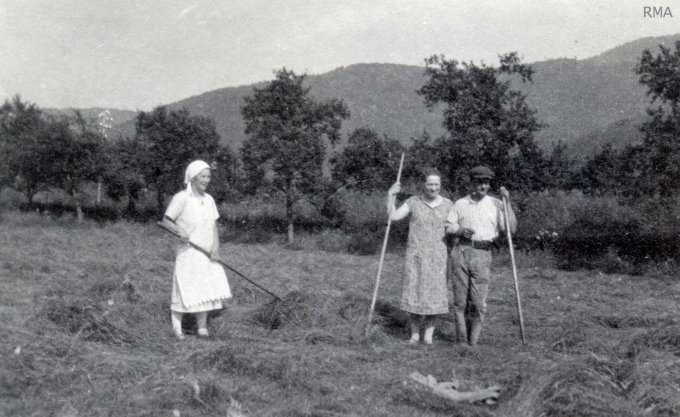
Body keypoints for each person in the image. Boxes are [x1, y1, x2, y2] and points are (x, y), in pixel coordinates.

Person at [445, 166, 517, 346]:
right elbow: (448, 227)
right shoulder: (461, 203)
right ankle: (462, 342)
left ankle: (474, 342)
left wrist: (507, 202)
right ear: (472, 183)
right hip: (460, 252)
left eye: (486, 182)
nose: (483, 186)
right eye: (479, 182)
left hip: (483, 254)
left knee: (478, 303)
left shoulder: (496, 204)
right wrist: (460, 230)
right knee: (460, 302)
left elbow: (511, 228)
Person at [161, 160, 232, 340]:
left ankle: (202, 327)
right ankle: (177, 328)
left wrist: (215, 248)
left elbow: (213, 227)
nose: (206, 180)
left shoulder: (209, 200)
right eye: (203, 176)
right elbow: (166, 221)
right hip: (188, 252)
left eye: (208, 177)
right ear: (192, 177)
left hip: (207, 253)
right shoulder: (181, 198)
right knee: (184, 288)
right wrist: (180, 231)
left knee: (205, 289)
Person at [387, 169, 454, 345]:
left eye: (436, 184)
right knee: (415, 294)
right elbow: (393, 216)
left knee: (435, 297)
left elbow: (456, 226)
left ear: (440, 186)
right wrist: (390, 195)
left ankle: (428, 336)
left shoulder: (448, 204)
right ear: (424, 185)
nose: (433, 188)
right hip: (415, 257)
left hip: (437, 258)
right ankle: (415, 334)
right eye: (430, 184)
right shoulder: (413, 202)